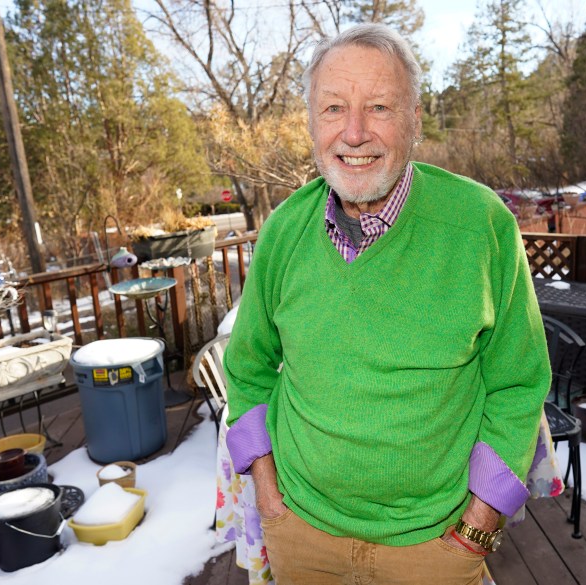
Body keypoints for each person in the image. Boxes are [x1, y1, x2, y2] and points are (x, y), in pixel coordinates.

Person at [223, 23, 551, 585]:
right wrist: (270, 502)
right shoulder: (282, 233)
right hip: (301, 533)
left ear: (415, 121)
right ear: (310, 123)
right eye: (332, 109)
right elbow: (248, 369)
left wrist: (477, 528)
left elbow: (519, 385)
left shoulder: (481, 225)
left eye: (378, 106)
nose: (353, 133)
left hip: (435, 545)